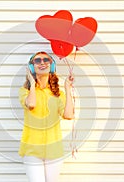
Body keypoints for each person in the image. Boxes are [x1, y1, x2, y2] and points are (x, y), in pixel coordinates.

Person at [18, 51, 74, 182]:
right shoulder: (25, 91)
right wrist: (32, 83)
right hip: (32, 150)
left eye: (46, 60)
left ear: (52, 66)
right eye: (37, 61)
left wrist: (67, 88)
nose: (42, 62)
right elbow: (31, 104)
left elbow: (69, 115)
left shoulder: (58, 94)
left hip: (54, 150)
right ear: (32, 67)